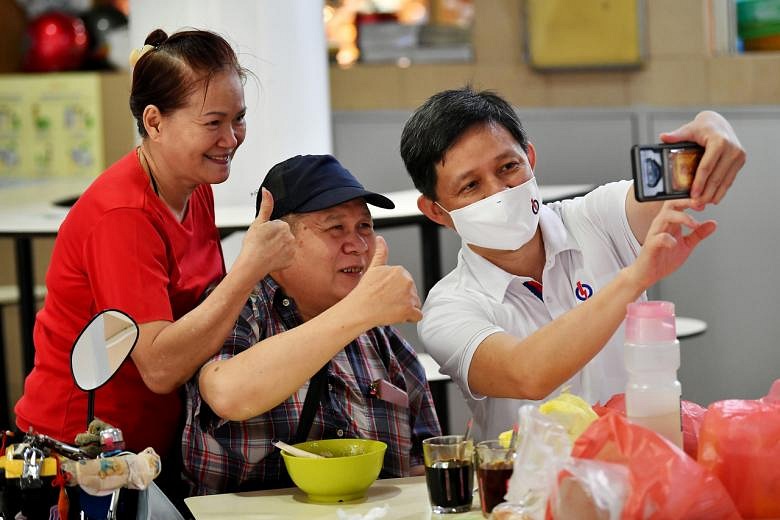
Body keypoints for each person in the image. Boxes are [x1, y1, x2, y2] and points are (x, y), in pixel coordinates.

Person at [14, 29, 295, 491]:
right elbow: (160, 367)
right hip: (78, 457)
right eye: (213, 123)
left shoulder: (194, 185)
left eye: (239, 119)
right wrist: (249, 268)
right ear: (155, 121)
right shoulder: (123, 216)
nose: (231, 139)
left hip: (146, 451)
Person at [399, 87, 745, 440]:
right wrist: (635, 279)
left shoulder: (594, 218)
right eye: (471, 185)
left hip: (642, 468)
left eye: (508, 167)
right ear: (435, 211)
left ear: (530, 158)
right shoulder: (448, 308)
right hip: (527, 486)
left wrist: (711, 129)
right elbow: (526, 373)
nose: (499, 191)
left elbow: (667, 190)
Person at [182, 154, 441, 495]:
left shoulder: (383, 341)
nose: (359, 245)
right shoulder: (239, 305)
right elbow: (226, 393)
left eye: (364, 226)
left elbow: (426, 464)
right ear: (278, 240)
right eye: (336, 228)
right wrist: (358, 312)